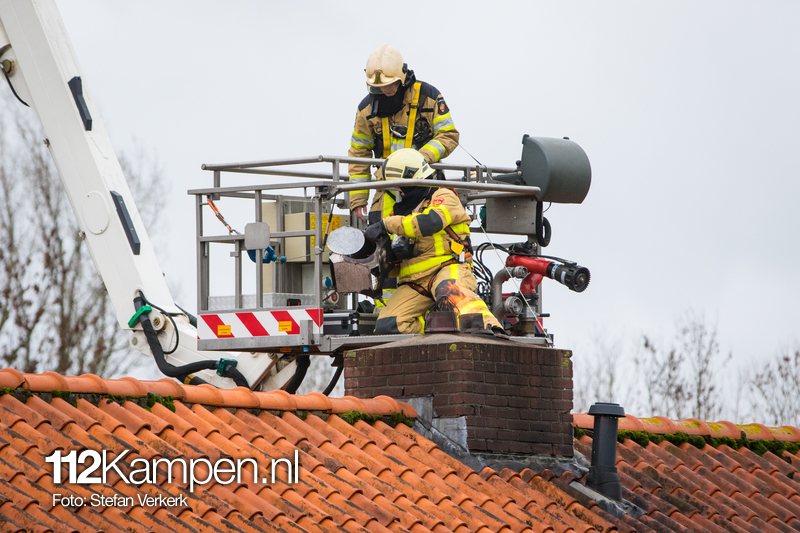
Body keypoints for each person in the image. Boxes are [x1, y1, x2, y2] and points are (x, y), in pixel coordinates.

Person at [363, 149, 504, 336]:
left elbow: (429, 222)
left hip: (446, 268)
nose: (398, 190)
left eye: (399, 185)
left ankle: (489, 328)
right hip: (414, 282)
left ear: (411, 178)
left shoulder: (444, 196)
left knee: (449, 291)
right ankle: (439, 325)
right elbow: (406, 247)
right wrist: (387, 259)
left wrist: (385, 224)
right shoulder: (404, 211)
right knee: (387, 327)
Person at [347, 45, 459, 226]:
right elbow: (359, 153)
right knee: (380, 237)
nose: (384, 90)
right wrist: (358, 198)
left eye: (388, 84)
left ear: (402, 78)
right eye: (378, 87)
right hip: (386, 191)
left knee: (425, 236)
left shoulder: (428, 97)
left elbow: (448, 135)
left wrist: (420, 159)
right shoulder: (366, 109)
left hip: (426, 187)